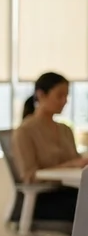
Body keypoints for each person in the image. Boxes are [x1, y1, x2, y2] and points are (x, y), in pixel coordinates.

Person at [10, 71, 88, 224]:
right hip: (44, 200)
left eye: (67, 96)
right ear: (41, 95)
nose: (65, 101)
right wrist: (70, 164)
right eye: (59, 95)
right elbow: (29, 175)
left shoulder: (65, 129)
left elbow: (77, 164)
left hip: (71, 193)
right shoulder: (25, 132)